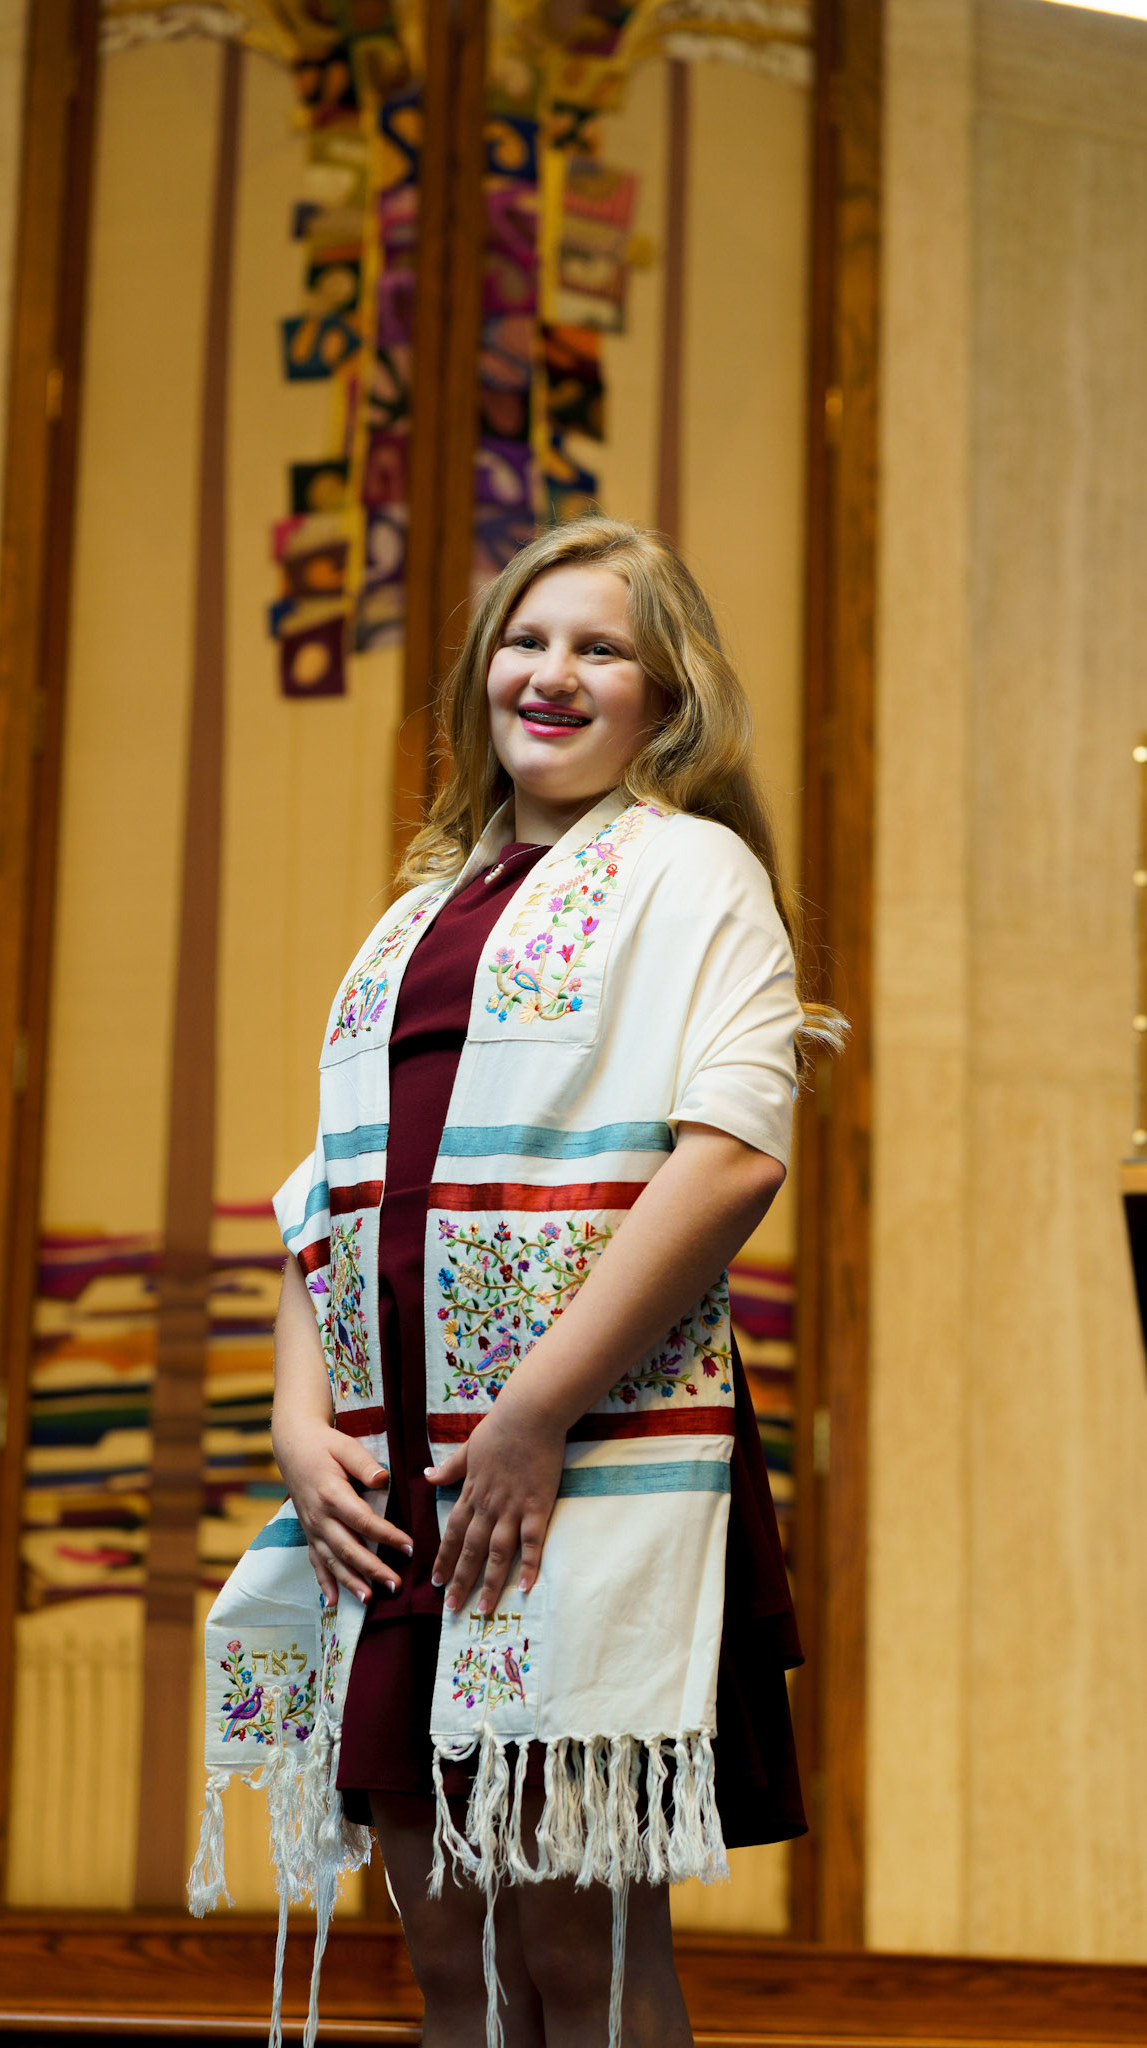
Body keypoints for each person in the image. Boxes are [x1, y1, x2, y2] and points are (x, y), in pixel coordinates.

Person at [189, 516, 843, 2048]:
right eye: (526, 640)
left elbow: (733, 1155)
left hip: (575, 1462)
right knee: (449, 1956)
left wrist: (536, 1413)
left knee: (573, 1951)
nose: (551, 673)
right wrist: (297, 1425)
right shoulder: (422, 905)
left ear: (665, 696)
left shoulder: (693, 871)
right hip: (401, 1482)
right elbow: (330, 1194)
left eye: (600, 647)